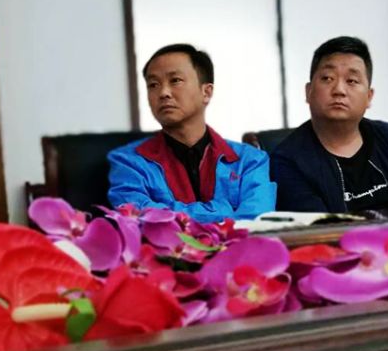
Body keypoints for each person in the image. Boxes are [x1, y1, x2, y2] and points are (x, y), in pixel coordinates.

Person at [271, 36, 388, 213]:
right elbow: (317, 225)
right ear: (308, 92)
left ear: (369, 97)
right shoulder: (288, 159)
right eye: (327, 78)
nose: (339, 90)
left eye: (352, 81)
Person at [107, 43, 276, 222]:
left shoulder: (250, 160)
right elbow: (136, 216)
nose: (163, 93)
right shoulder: (128, 162)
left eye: (175, 80)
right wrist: (225, 209)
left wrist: (169, 211)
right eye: (153, 84)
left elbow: (256, 220)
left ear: (206, 92)